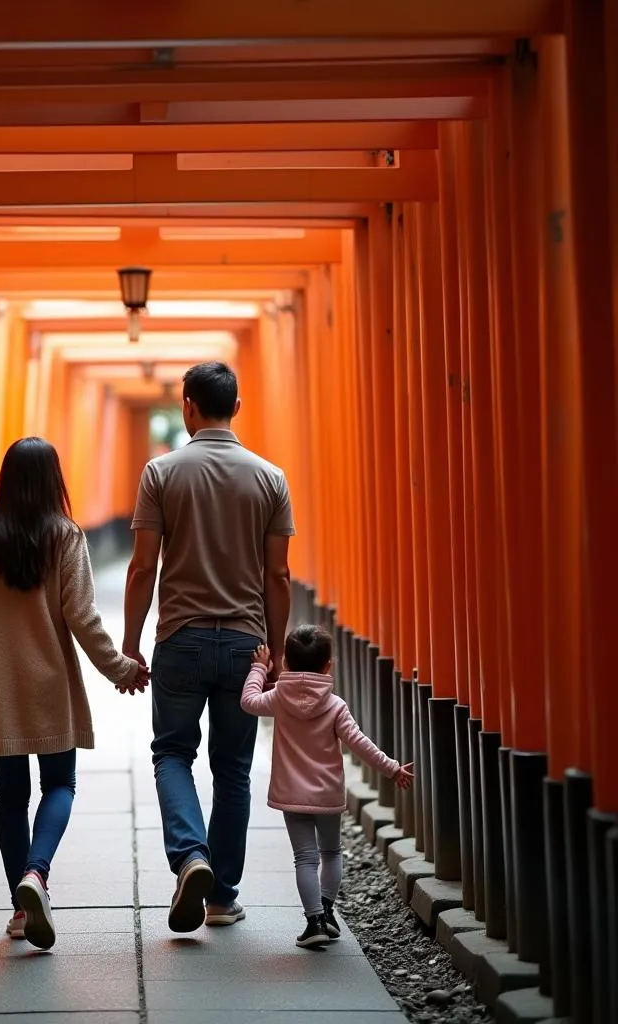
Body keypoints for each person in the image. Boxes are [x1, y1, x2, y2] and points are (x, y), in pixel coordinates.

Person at [0, 436, 149, 950]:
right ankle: (37, 874)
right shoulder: (65, 535)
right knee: (60, 785)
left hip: (0, 686)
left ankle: (20, 910)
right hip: (51, 684)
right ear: (53, 480)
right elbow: (82, 616)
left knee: (10, 797)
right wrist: (120, 668)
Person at [123, 361, 295, 933]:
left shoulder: (161, 472)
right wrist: (278, 651)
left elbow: (144, 564)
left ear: (187, 407)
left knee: (172, 753)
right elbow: (279, 576)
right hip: (246, 641)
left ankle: (190, 855)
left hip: (180, 638)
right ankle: (221, 896)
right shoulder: (270, 478)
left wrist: (129, 641)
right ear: (237, 408)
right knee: (234, 768)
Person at [241, 625, 413, 949]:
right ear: (328, 666)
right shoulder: (336, 706)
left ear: (286, 665)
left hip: (292, 795)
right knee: (332, 852)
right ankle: (328, 912)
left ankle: (314, 920)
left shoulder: (279, 697)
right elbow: (359, 743)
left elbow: (249, 701)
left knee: (305, 859)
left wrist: (258, 667)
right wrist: (391, 768)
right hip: (328, 794)